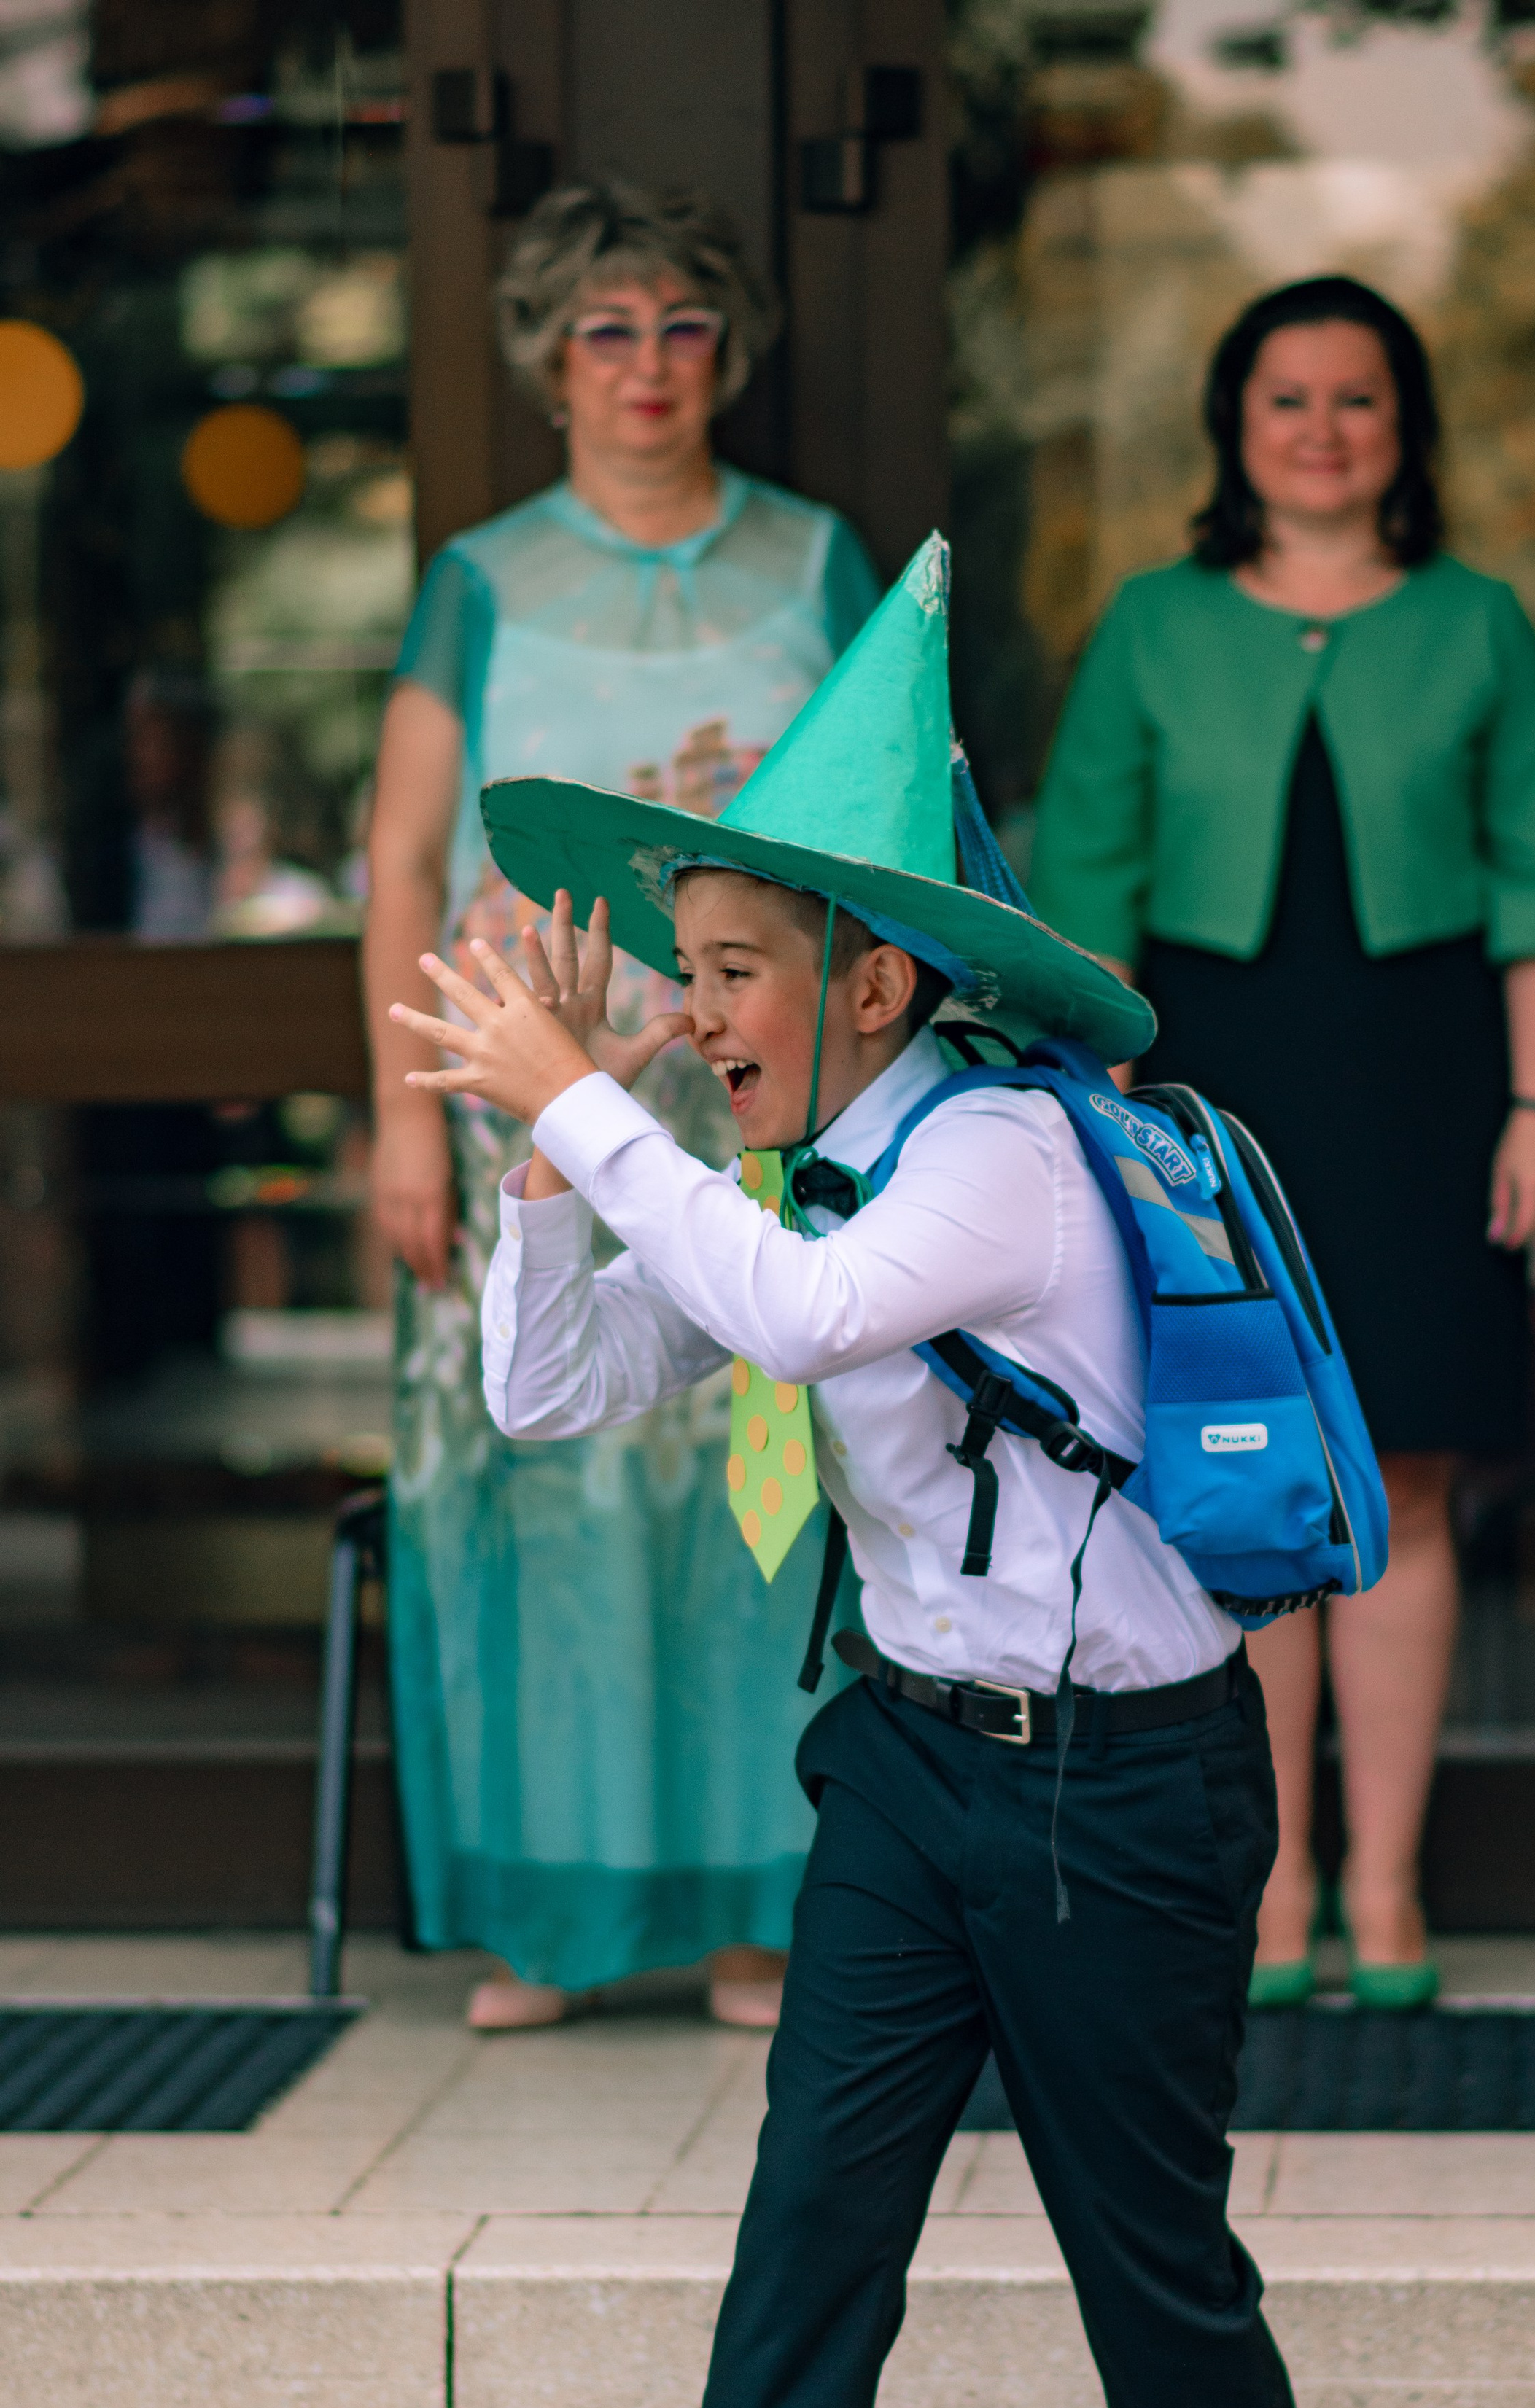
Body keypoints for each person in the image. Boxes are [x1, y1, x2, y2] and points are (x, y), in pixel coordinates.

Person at [386, 539, 1388, 2408]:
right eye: (686, 967)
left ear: (870, 981)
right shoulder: (792, 1175)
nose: (696, 1006)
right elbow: (555, 1386)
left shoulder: (1001, 1155)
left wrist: (588, 1108)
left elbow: (799, 1319)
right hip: (912, 1771)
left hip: (1122, 1784)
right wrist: (549, 1155)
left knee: (1147, 2254)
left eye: (735, 968)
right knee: (810, 2236)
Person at [1031, 275, 1535, 2006]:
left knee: (1407, 1476)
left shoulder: (1476, 621)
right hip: (1206, 1095)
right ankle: (1272, 1883)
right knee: (1249, 1480)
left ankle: (1387, 1885)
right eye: (1283, 397)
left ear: (1402, 425)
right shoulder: (1150, 624)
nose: (1318, 429)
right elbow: (1084, 892)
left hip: (1426, 1091)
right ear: (1233, 424)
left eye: (1354, 397)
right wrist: (1098, 1126)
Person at [362, 179, 878, 2033]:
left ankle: (758, 1909)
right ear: (547, 364)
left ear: (726, 354)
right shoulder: (480, 581)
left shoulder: (815, 560)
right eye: (604, 331)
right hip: (519, 1110)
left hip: (764, 1109)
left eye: (678, 327)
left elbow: (886, 830)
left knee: (762, 1494)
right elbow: (401, 858)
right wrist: (402, 1121)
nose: (644, 365)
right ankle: (549, 1924)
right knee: (544, 1503)